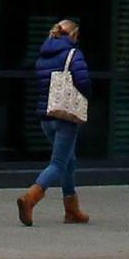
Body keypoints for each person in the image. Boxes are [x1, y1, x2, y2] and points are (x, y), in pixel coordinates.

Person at [17, 18, 92, 226]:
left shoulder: (43, 56)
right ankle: (30, 198)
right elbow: (83, 80)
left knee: (69, 160)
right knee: (58, 163)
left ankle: (71, 210)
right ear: (73, 35)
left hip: (46, 116)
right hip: (65, 116)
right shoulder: (73, 54)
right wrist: (86, 96)